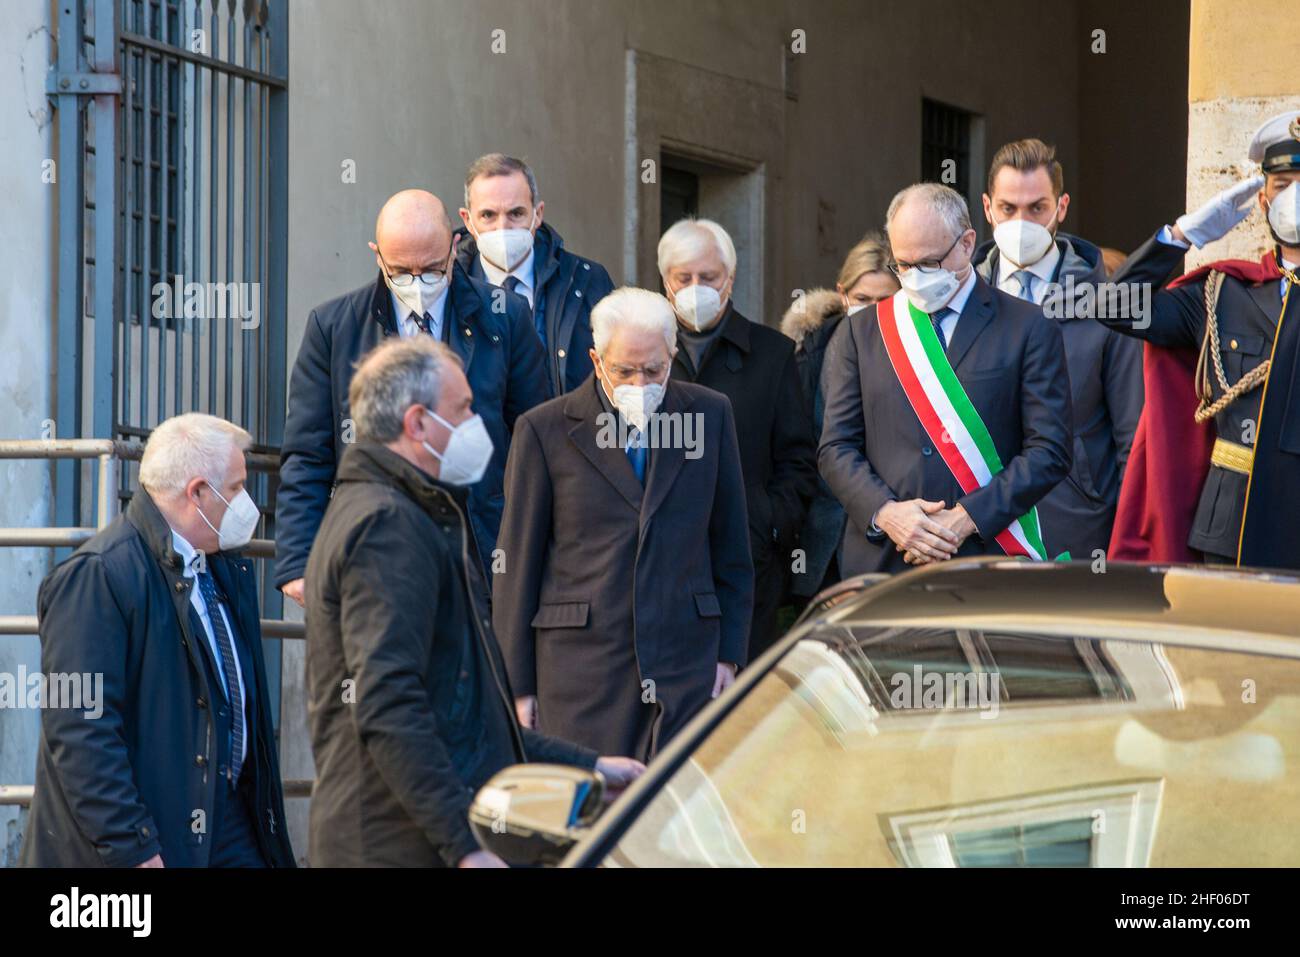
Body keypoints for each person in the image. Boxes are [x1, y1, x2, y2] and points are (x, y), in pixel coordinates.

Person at [305, 337, 644, 868]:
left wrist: (592, 765)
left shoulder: (415, 513)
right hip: (391, 846)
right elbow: (389, 704)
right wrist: (461, 847)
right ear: (417, 423)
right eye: (462, 410)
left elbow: (472, 716)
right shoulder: (387, 525)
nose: (476, 423)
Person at [21, 414, 294, 868]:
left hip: (228, 821)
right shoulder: (99, 577)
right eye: (236, 488)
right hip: (153, 835)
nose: (248, 503)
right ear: (198, 492)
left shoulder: (224, 568)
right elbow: (81, 729)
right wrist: (132, 844)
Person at [493, 287, 754, 762]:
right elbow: (516, 565)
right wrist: (518, 685)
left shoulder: (710, 414)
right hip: (581, 673)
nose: (640, 382)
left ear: (673, 357)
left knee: (673, 816)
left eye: (653, 369)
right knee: (588, 821)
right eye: (624, 370)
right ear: (596, 361)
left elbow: (731, 545)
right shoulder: (543, 430)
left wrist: (728, 652)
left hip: (685, 664)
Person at [275, 189, 548, 603]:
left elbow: (535, 439)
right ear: (377, 256)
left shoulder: (506, 318)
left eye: (434, 269)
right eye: (402, 271)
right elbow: (307, 454)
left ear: (455, 247)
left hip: (479, 546)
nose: (418, 283)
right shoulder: (334, 328)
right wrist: (298, 561)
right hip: (375, 547)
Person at [819, 182, 1073, 575]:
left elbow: (1049, 451)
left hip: (988, 556)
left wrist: (966, 519)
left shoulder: (1028, 327)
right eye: (903, 265)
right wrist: (887, 514)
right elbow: (835, 447)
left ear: (968, 243)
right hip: (884, 560)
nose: (915, 276)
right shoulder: (862, 331)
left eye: (929, 263)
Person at [1103, 111, 1300, 570]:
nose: (1295, 196)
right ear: (1264, 199)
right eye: (1284, 183)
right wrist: (1181, 236)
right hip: (1235, 520)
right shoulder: (1221, 292)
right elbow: (1111, 308)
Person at [974, 138, 1143, 559]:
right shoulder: (961, 298)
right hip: (974, 525)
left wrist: (1127, 548)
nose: (1022, 222)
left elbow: (1133, 442)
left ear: (1061, 207)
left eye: (1037, 208)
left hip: (1075, 529)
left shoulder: (1111, 304)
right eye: (1008, 208)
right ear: (987, 208)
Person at [659, 218, 816, 659]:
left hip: (747, 566)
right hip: (661, 566)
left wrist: (764, 523)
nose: (695, 288)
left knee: (740, 703)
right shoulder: (644, 355)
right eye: (682, 278)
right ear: (665, 283)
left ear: (729, 278)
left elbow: (798, 463)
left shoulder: (772, 354)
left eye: (707, 277)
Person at [782, 233, 898, 599]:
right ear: (842, 294)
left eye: (886, 300)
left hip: (891, 541)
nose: (873, 310)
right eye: (863, 299)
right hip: (822, 543)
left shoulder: (921, 358)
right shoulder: (809, 352)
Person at [455, 153, 615, 396]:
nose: (502, 227)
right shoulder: (450, 287)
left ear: (537, 214)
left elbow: (615, 370)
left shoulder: (588, 279)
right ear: (467, 220)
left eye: (516, 213)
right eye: (488, 215)